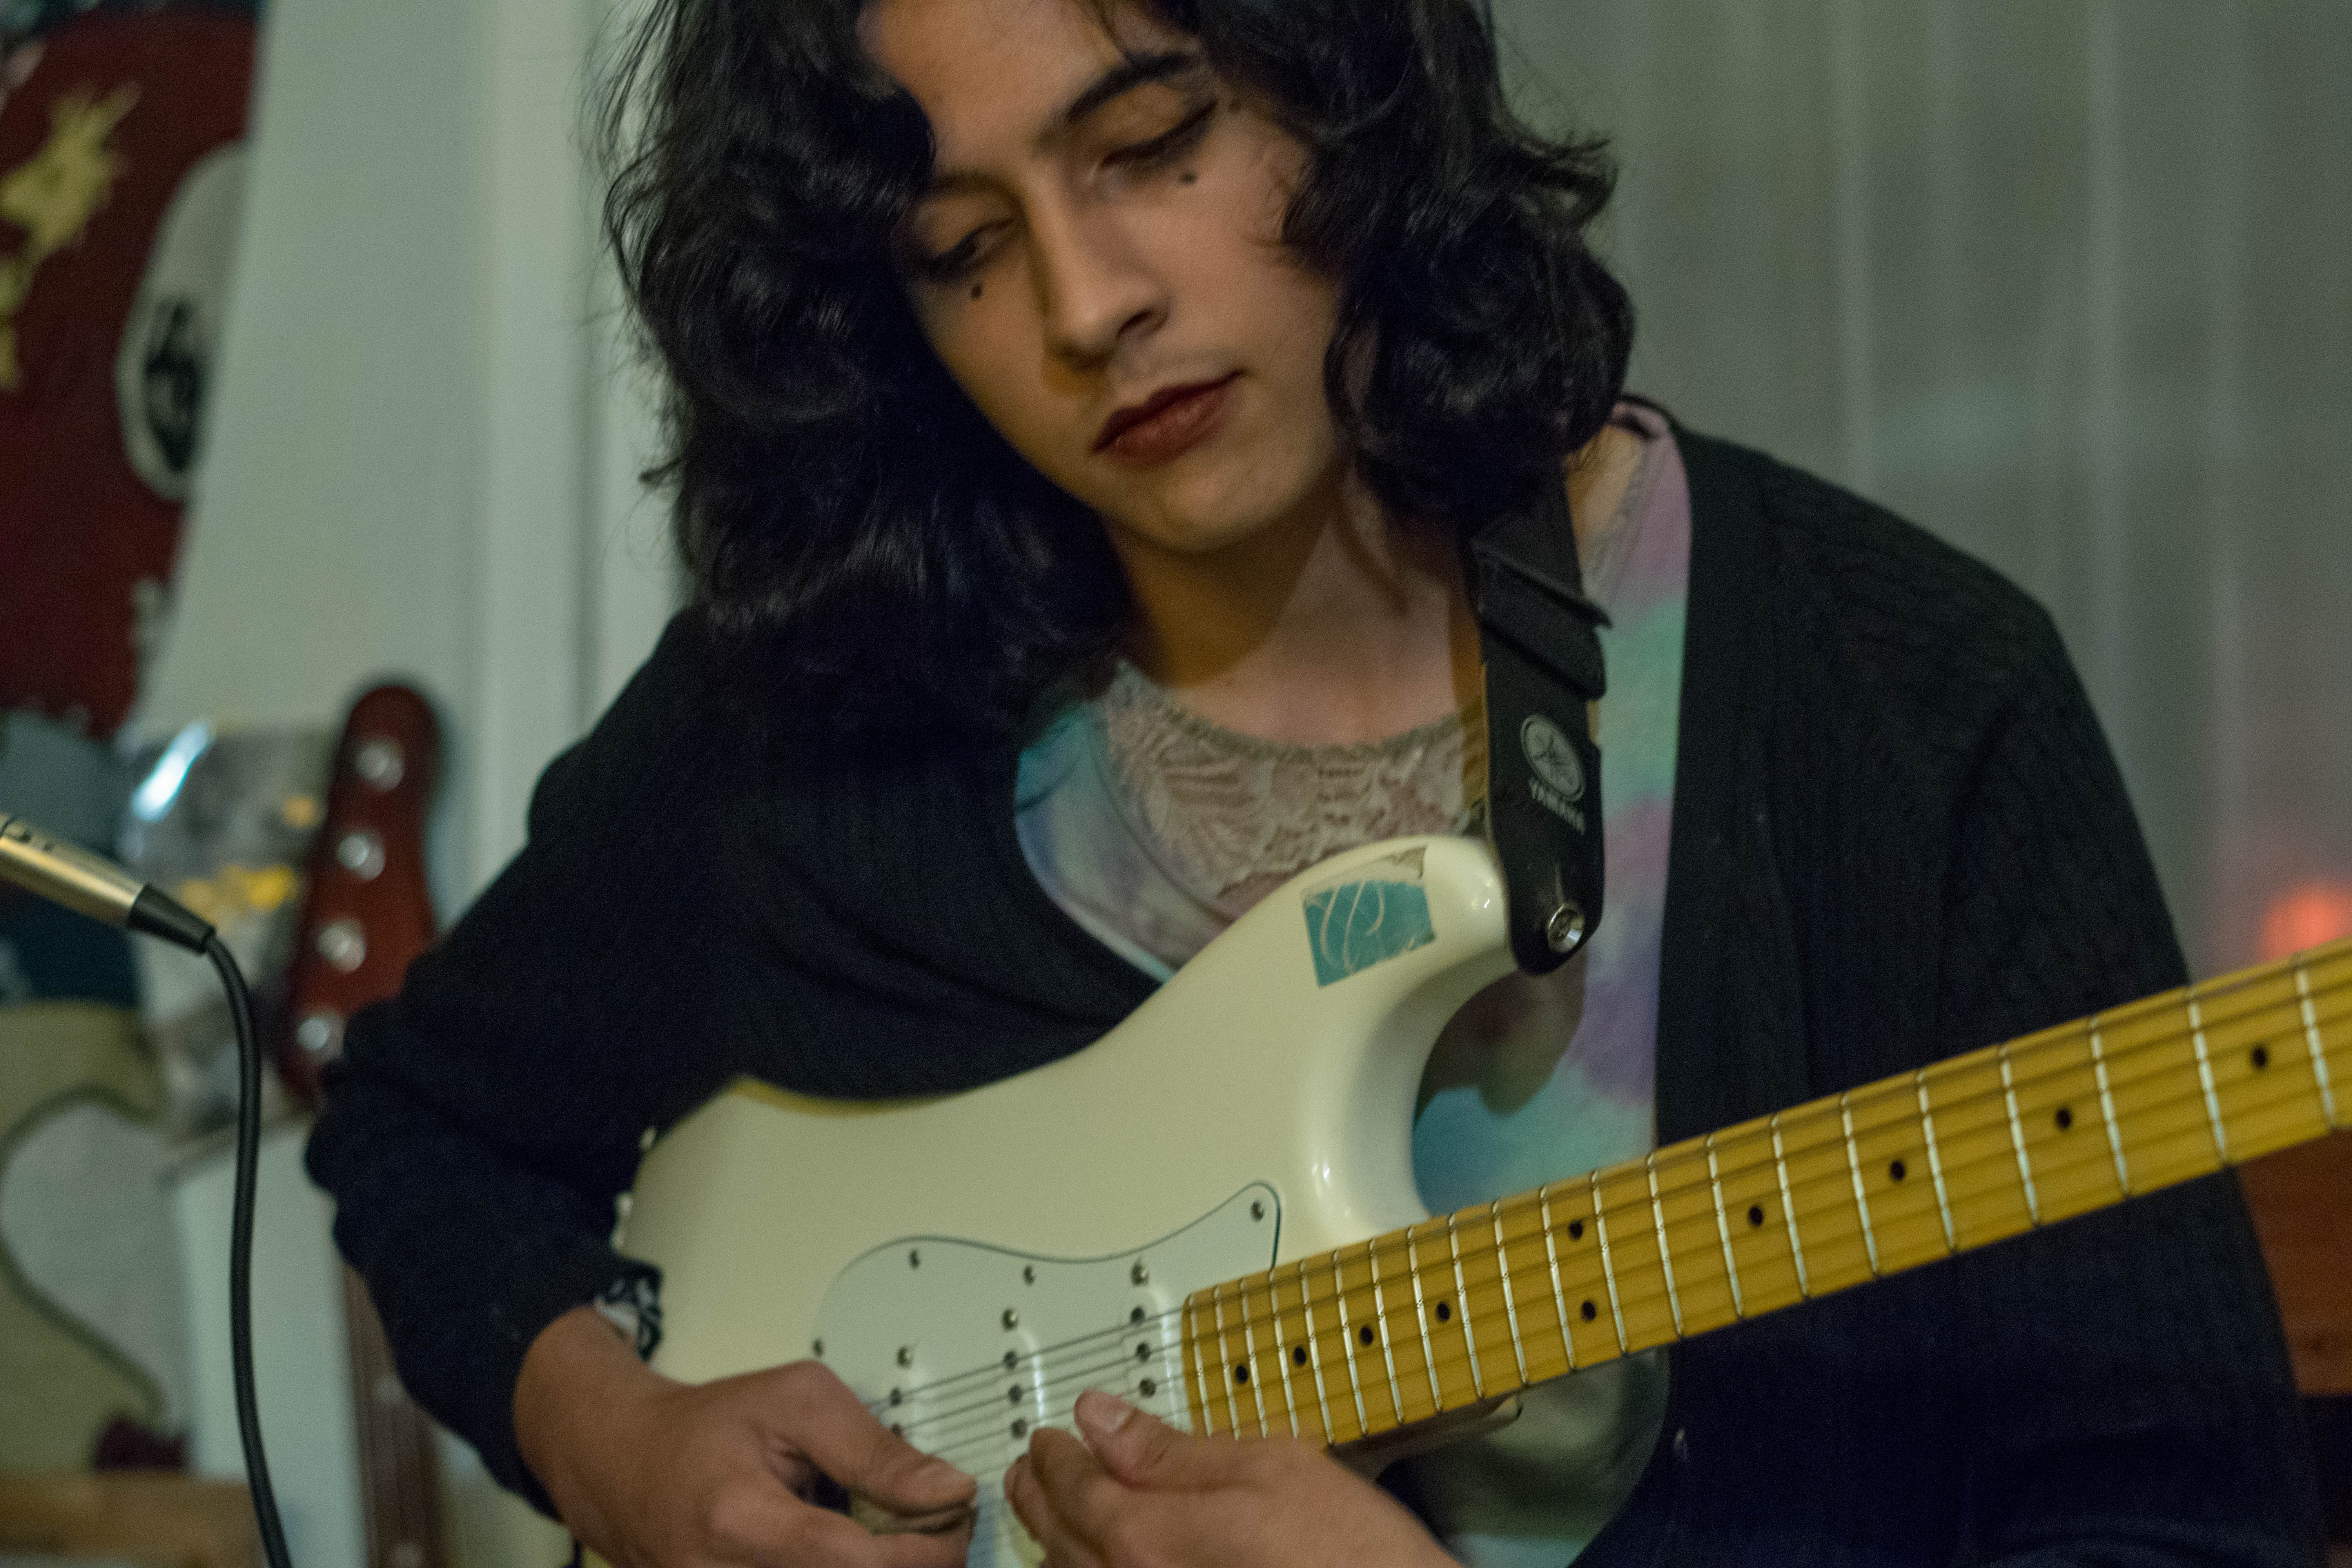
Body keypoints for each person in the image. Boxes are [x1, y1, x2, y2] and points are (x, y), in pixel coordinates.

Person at [305, 0, 2326, 1563]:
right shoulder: (822, 711)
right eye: (963, 246)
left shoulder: (1902, 701)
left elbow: (2180, 1530)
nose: (1090, 303)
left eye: (1151, 142)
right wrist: (614, 1436)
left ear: (1349, 85)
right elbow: (420, 1128)